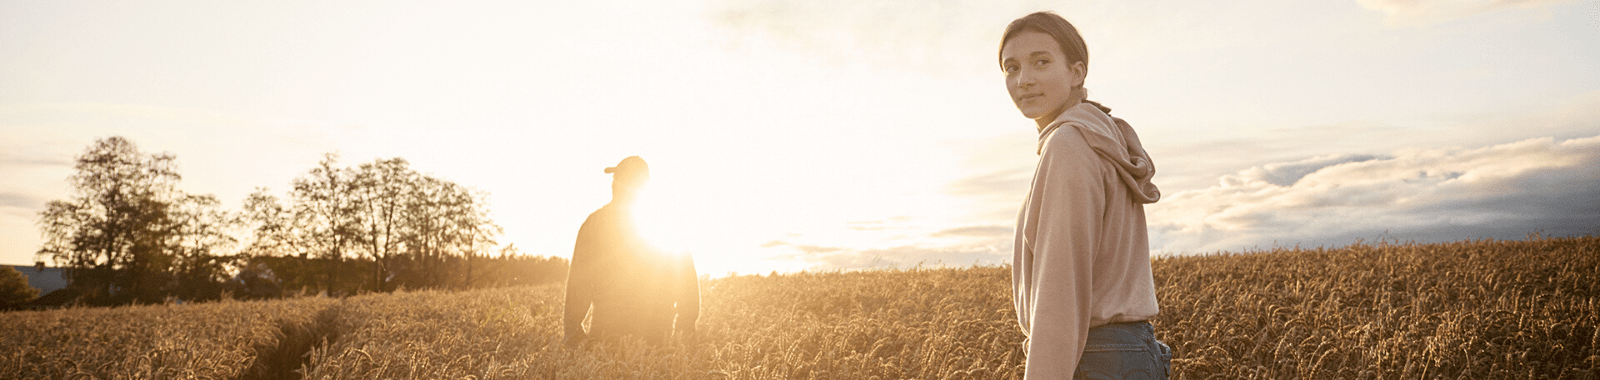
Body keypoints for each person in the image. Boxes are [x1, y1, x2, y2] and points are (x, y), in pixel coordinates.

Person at [1000, 11, 1172, 379]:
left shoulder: (1068, 145)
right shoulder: (1098, 139)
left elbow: (1060, 290)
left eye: (1041, 62)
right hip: (1128, 353)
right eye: (1011, 68)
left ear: (1077, 72)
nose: (1024, 80)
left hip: (1094, 357)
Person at [563, 156, 700, 347]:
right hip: (658, 344)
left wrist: (574, 339)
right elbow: (688, 289)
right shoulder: (668, 227)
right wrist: (683, 338)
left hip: (606, 343)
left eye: (617, 178)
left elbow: (578, 288)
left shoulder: (594, 225)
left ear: (620, 184)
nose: (613, 183)